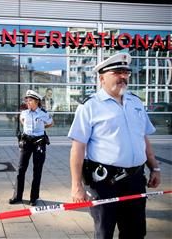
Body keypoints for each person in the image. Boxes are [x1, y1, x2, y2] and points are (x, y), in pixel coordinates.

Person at [68, 53, 161, 239]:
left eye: (126, 72)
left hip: (135, 180)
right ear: (102, 78)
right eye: (118, 72)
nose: (124, 77)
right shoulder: (89, 106)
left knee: (135, 232)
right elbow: (78, 148)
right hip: (105, 183)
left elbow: (143, 138)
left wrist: (155, 167)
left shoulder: (136, 102)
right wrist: (76, 185)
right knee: (105, 232)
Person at [9, 89, 54, 206]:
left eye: (30, 100)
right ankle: (17, 196)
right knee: (21, 169)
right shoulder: (24, 112)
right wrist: (28, 130)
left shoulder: (43, 113)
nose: (27, 102)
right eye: (27, 100)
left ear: (37, 101)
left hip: (39, 142)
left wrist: (41, 129)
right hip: (27, 142)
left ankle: (34, 198)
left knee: (37, 170)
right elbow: (22, 120)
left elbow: (51, 123)